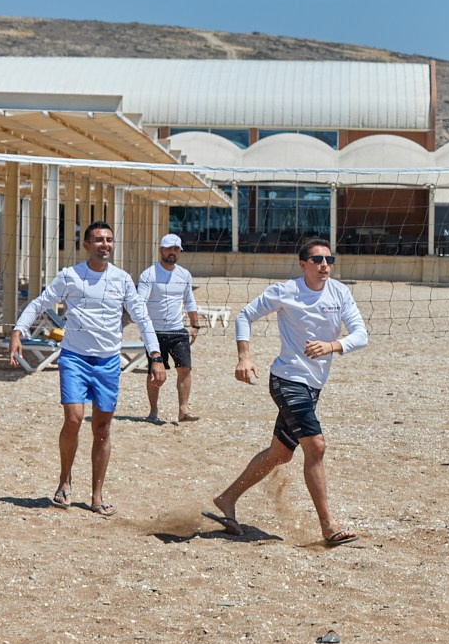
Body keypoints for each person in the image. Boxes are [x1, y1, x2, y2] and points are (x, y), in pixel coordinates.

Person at [206, 238, 367, 544]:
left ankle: (226, 498)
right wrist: (244, 355)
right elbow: (244, 315)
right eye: (317, 260)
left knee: (280, 454)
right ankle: (328, 526)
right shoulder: (286, 291)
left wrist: (333, 345)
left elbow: (361, 334)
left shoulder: (340, 292)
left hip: (313, 384)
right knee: (316, 446)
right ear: (303, 264)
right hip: (287, 379)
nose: (325, 265)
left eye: (329, 260)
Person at [9, 221, 164, 517]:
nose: (104, 244)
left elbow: (142, 318)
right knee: (74, 418)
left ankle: (97, 494)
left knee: (102, 428)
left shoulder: (122, 279)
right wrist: (18, 331)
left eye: (109, 240)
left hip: (107, 361)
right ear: (86, 245)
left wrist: (155, 356)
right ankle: (64, 480)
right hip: (74, 358)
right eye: (98, 240)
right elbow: (40, 303)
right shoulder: (70, 276)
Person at [137, 233, 200, 423]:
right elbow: (140, 303)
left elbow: (190, 301)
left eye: (176, 249)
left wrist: (195, 325)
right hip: (154, 331)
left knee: (185, 369)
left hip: (177, 329)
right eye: (169, 248)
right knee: (155, 374)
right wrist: (144, 330)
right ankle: (153, 411)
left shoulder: (184, 274)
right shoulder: (149, 274)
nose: (173, 252)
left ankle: (183, 410)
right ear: (161, 250)